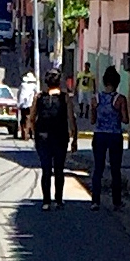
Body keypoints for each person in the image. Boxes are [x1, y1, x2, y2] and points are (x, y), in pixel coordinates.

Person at [32, 70, 76, 209]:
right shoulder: (65, 98)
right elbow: (71, 118)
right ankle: (58, 200)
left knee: (46, 169)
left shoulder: (39, 97)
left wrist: (33, 133)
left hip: (42, 137)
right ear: (59, 81)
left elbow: (32, 117)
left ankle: (46, 202)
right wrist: (74, 138)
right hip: (60, 137)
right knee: (59, 169)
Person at [89, 65, 127, 210]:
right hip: (115, 136)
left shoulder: (95, 98)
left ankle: (95, 201)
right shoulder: (120, 99)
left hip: (99, 135)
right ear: (117, 82)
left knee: (98, 168)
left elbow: (92, 120)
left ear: (104, 82)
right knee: (115, 170)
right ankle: (116, 202)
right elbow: (125, 120)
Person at [17, 71, 40, 140]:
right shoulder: (33, 86)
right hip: (30, 104)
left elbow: (18, 93)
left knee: (23, 118)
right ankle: (27, 134)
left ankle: (24, 133)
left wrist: (19, 102)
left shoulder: (22, 85)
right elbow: (37, 94)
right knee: (29, 118)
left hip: (22, 104)